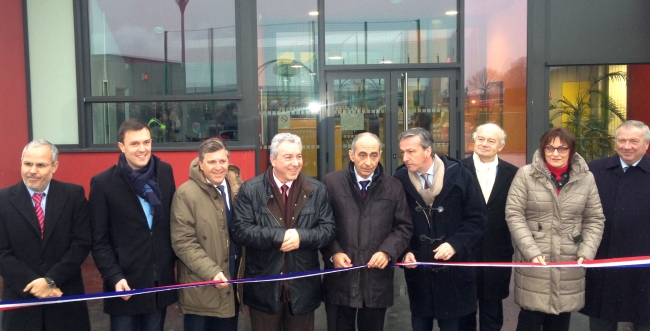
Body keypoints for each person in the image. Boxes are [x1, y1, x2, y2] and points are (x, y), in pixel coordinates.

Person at [231, 133, 335, 331]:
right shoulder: (250, 190)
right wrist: (279, 237)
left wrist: (301, 237)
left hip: (303, 288)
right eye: (288, 157)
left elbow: (328, 230)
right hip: (264, 287)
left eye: (299, 156)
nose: (296, 163)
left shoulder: (318, 190)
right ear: (273, 159)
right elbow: (240, 230)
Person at [505, 127, 605, 331]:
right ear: (542, 150)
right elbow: (514, 215)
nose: (555, 153)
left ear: (571, 150)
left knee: (560, 319)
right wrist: (531, 251)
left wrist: (587, 251)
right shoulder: (525, 174)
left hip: (570, 258)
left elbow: (594, 218)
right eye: (549, 148)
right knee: (530, 319)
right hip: (535, 258)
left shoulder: (586, 178)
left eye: (562, 148)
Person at [394, 127, 487, 331]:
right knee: (420, 324)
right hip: (419, 272)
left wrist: (455, 244)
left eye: (411, 151)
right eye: (403, 152)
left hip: (455, 271)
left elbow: (477, 219)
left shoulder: (460, 174)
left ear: (428, 150)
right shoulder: (399, 179)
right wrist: (405, 251)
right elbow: (394, 224)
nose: (405, 157)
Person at [90, 118, 177, 331]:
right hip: (124, 283)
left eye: (146, 142)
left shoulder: (164, 171)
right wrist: (113, 276)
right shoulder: (103, 183)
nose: (142, 149)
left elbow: (170, 222)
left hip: (158, 282)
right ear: (121, 147)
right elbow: (98, 239)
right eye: (135, 144)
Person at [321, 132, 413, 331]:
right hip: (341, 278)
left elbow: (403, 226)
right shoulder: (331, 183)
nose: (368, 162)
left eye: (374, 155)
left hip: (376, 279)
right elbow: (323, 224)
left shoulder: (394, 187)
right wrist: (334, 252)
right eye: (362, 155)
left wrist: (387, 252)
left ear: (380, 154)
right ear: (351, 155)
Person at [0, 140, 92, 331]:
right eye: (28, 164)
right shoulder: (3, 200)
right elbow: (2, 252)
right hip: (21, 302)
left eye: (40, 165)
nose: (32, 170)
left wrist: (51, 280)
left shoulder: (73, 195)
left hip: (64, 299)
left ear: (54, 166)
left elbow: (81, 243)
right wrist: (33, 284)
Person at [581, 120, 650, 331]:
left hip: (642, 264)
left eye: (633, 141)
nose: (626, 146)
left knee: (643, 319)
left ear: (646, 145)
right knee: (602, 319)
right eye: (621, 140)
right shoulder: (594, 170)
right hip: (603, 259)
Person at [171, 138, 244, 331]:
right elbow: (183, 243)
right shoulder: (185, 194)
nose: (218, 167)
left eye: (222, 161)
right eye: (211, 162)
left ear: (229, 162)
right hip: (201, 288)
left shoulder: (237, 189)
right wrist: (211, 272)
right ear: (201, 164)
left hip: (232, 285)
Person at [459, 123, 518, 331]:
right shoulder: (456, 170)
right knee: (464, 312)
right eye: (481, 139)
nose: (484, 144)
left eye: (491, 140)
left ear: (500, 146)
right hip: (465, 251)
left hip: (497, 251)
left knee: (493, 312)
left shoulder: (514, 174)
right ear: (474, 141)